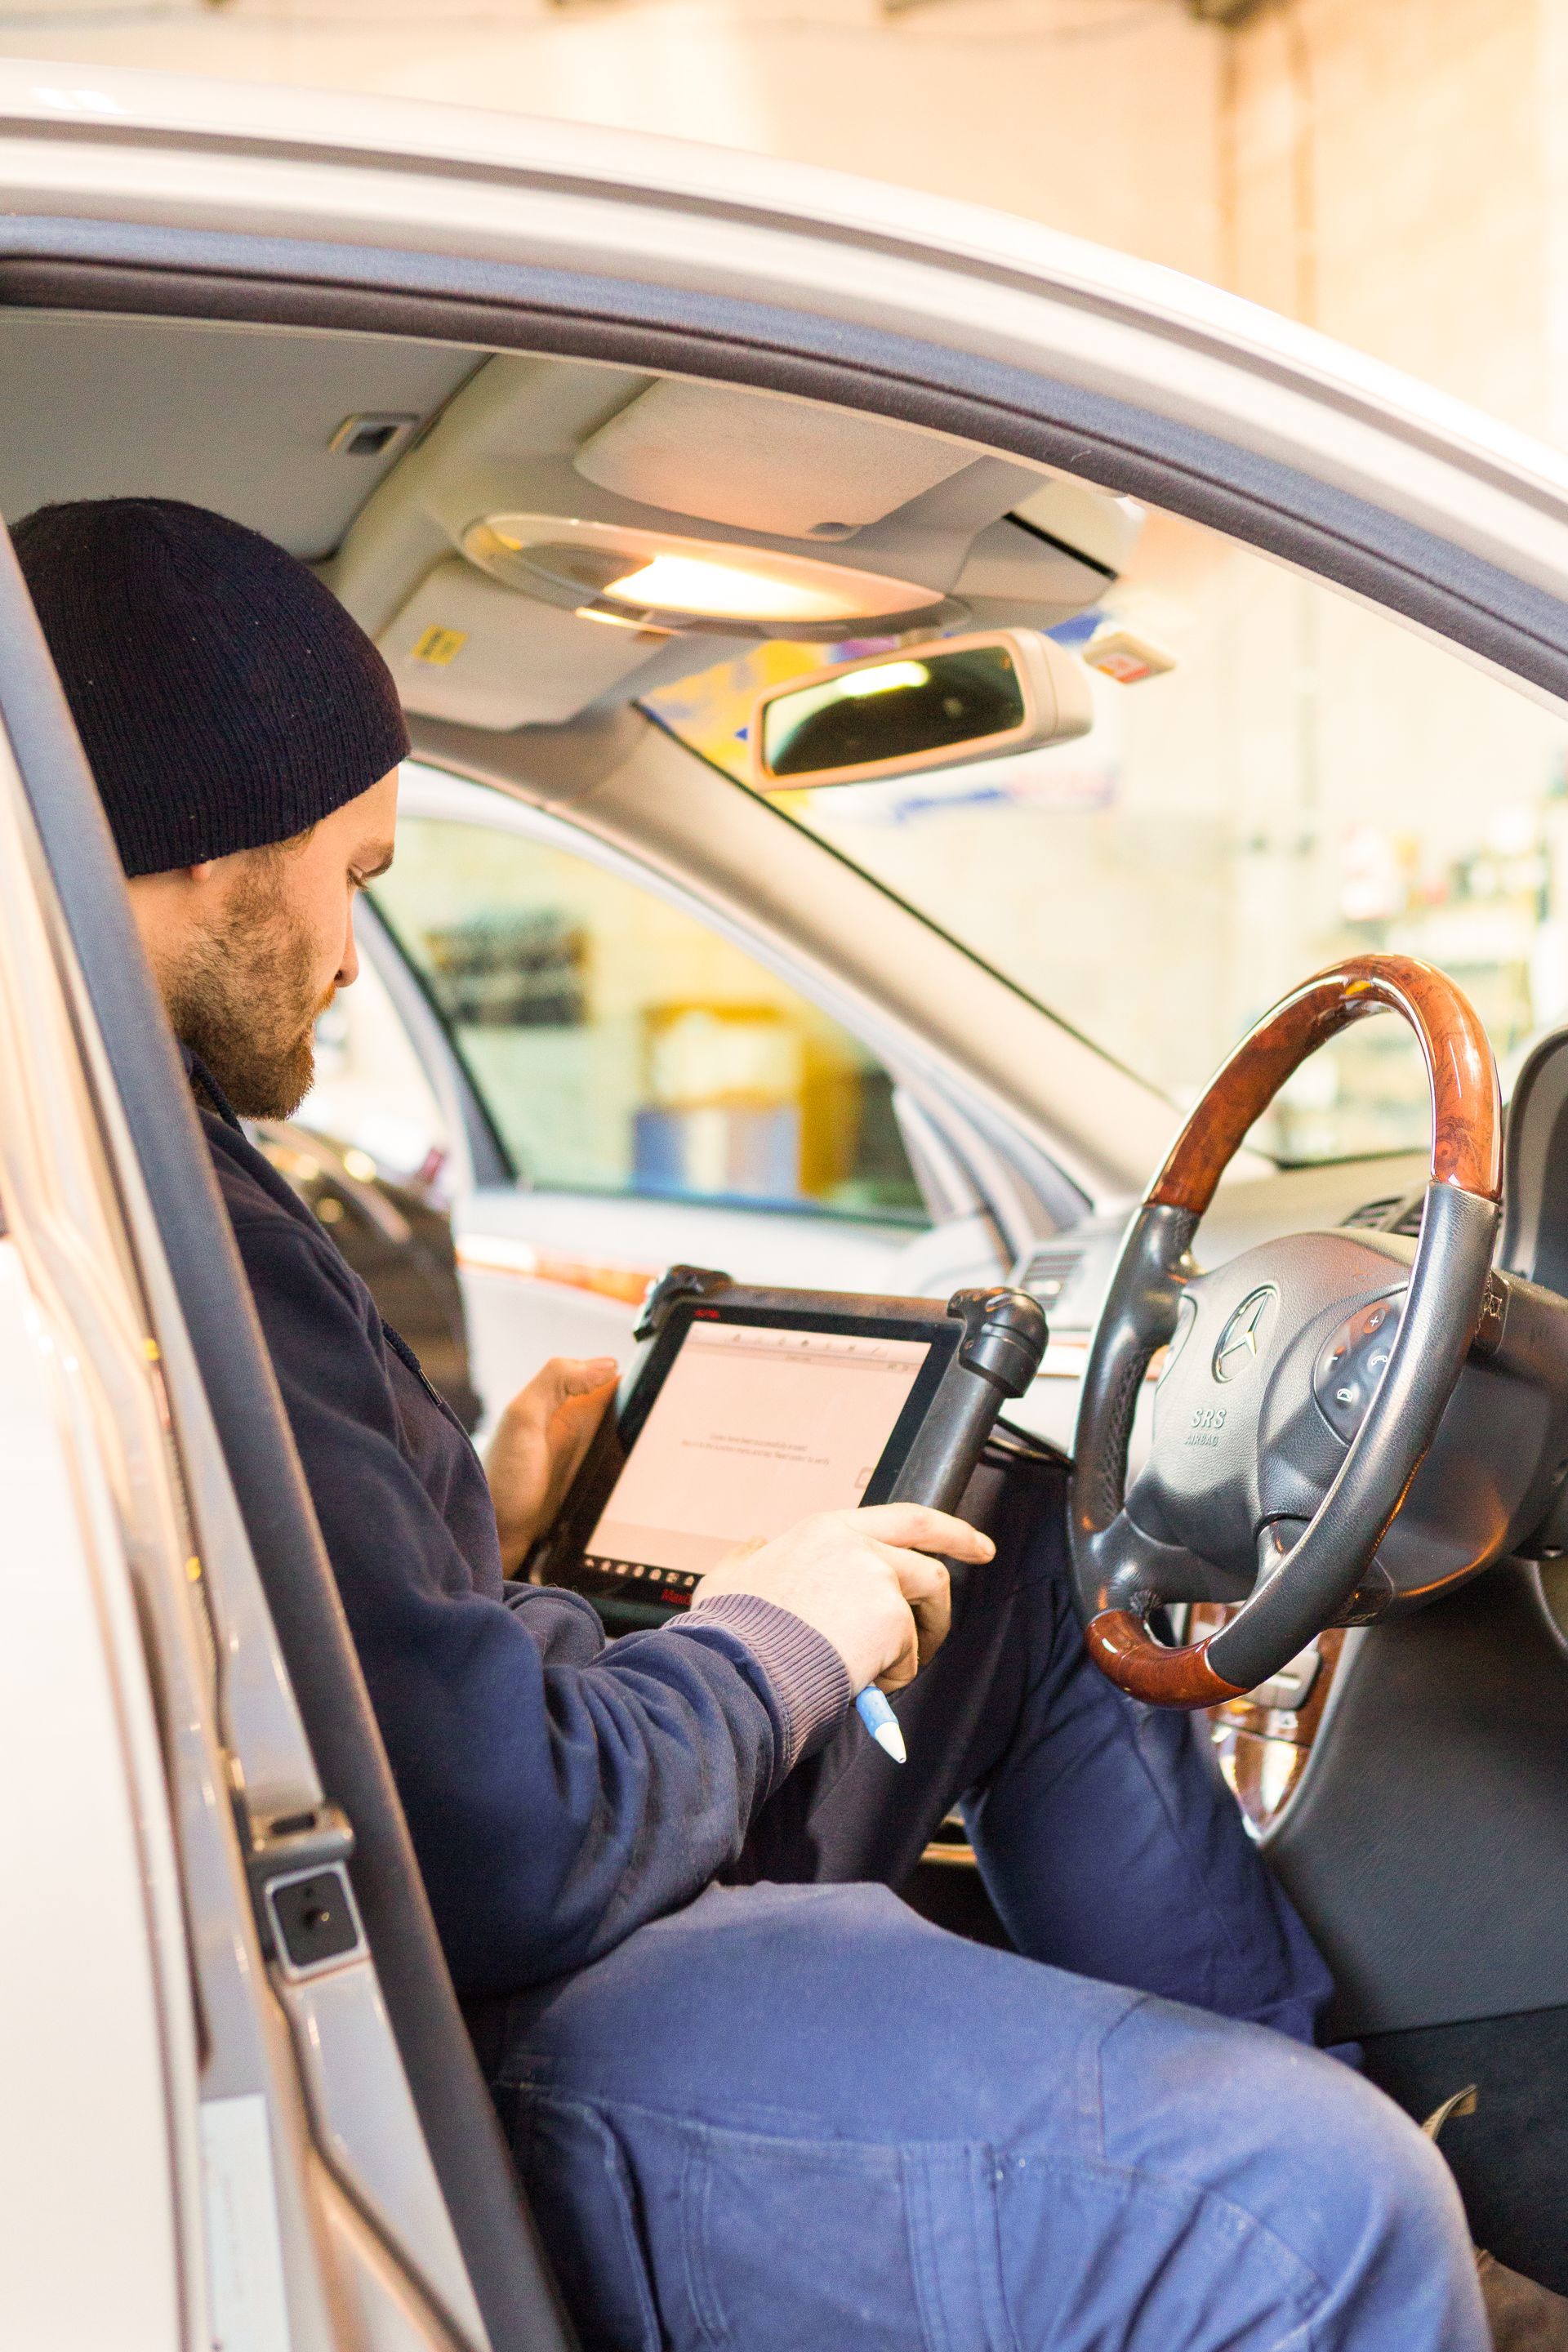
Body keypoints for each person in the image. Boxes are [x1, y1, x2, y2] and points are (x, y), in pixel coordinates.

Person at [16, 496, 1500, 2350]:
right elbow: (507, 1846)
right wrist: (781, 1631)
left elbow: (301, 1638)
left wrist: (479, 1517)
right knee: (1308, 2211)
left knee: (1010, 1540)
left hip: (465, 1868)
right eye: (353, 875)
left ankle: (1325, 2098)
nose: (345, 951)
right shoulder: (163, 1217)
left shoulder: (131, 1147)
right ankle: (1363, 2232)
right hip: (483, 2002)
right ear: (206, 844)